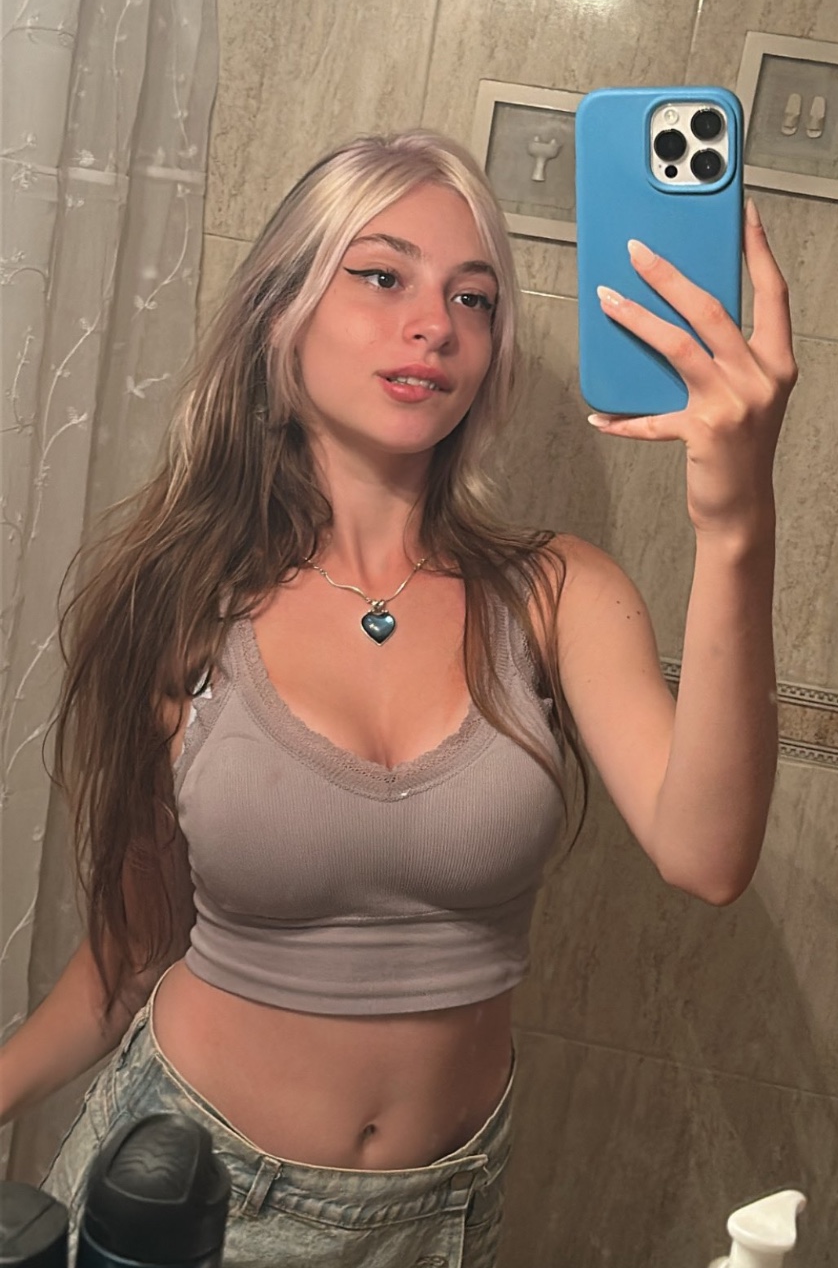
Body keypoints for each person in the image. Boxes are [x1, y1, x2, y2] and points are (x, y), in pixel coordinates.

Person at [0, 130, 797, 1266]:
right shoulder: (181, 600)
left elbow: (706, 857)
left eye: (472, 298)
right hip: (179, 1189)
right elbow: (130, 952)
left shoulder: (556, 594)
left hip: (433, 1219)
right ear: (281, 312)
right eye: (382, 276)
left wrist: (735, 526)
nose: (435, 324)